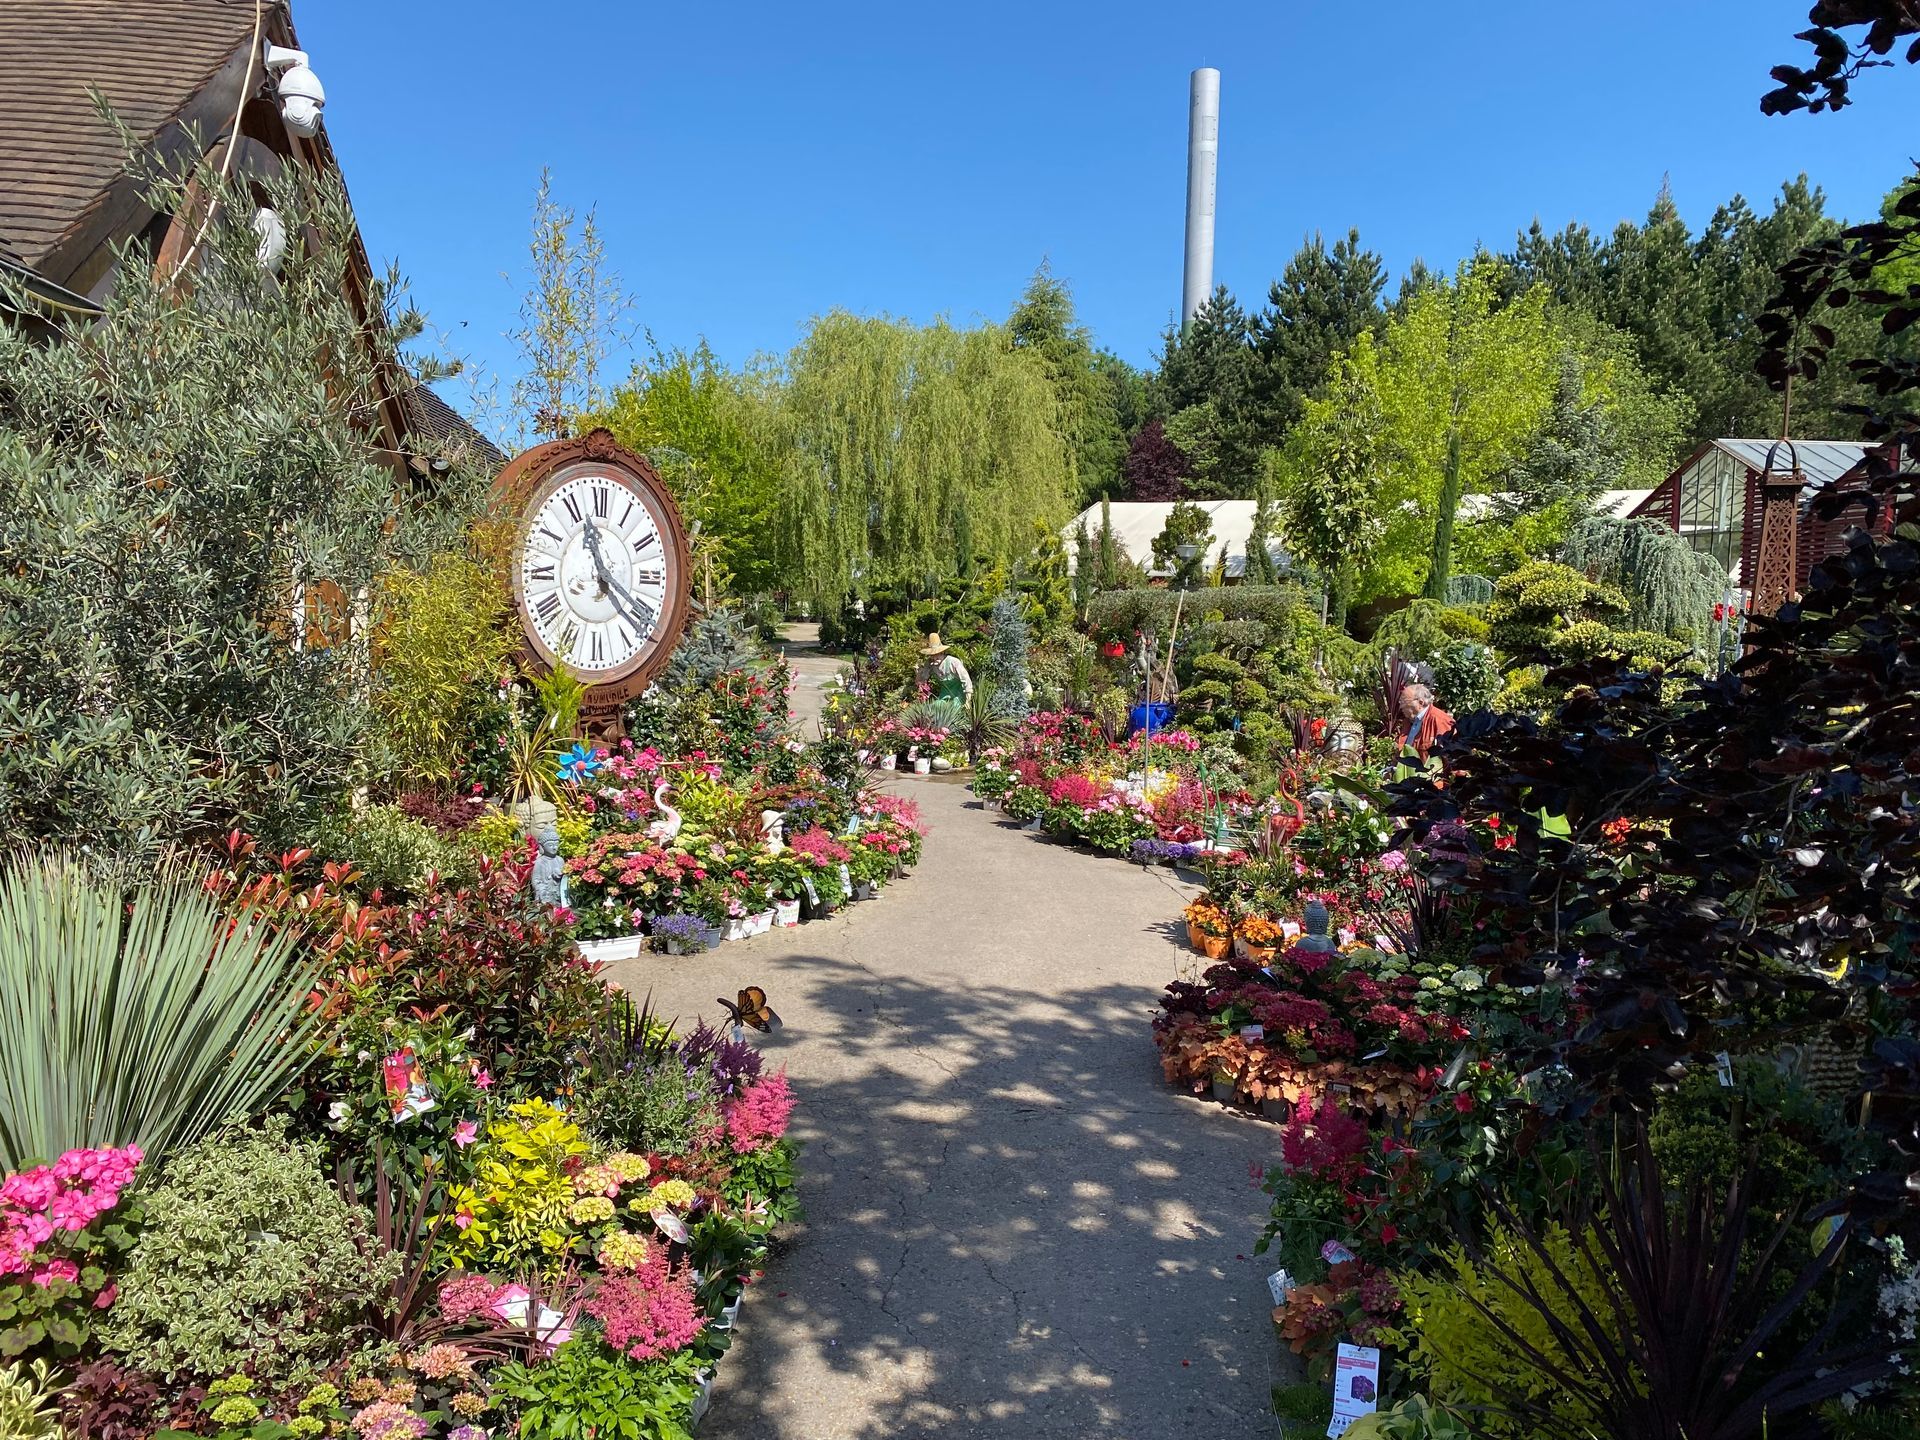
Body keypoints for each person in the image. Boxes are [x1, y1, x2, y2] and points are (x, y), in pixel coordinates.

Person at [1397, 675, 1454, 763]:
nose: (1401, 706)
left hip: (1428, 775)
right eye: (1401, 702)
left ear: (1420, 702)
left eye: (1405, 702)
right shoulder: (1408, 721)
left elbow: (1451, 756)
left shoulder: (1440, 721)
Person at [914, 633, 973, 703]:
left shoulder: (953, 662)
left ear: (942, 652)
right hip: (944, 695)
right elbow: (921, 681)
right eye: (932, 655)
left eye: (937, 654)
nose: (934, 658)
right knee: (935, 707)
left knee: (954, 708)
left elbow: (966, 679)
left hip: (959, 694)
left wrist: (968, 700)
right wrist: (919, 673)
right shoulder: (929, 664)